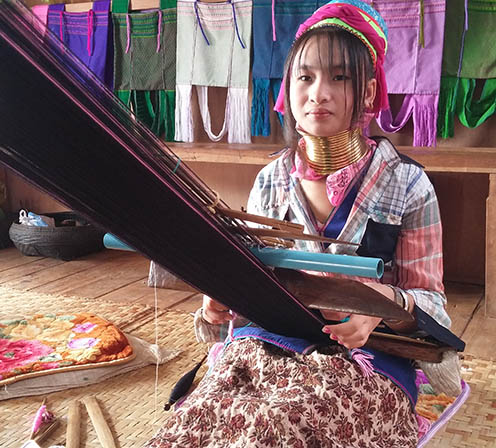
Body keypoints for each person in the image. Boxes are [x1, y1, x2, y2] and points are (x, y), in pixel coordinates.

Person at [146, 1, 451, 446]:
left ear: (368, 92)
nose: (318, 92)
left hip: (363, 359)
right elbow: (249, 289)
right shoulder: (271, 181)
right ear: (288, 88)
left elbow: (434, 308)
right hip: (268, 344)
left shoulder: (407, 185)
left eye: (338, 77)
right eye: (305, 77)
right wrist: (217, 306)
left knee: (290, 421)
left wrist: (382, 305)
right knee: (201, 418)